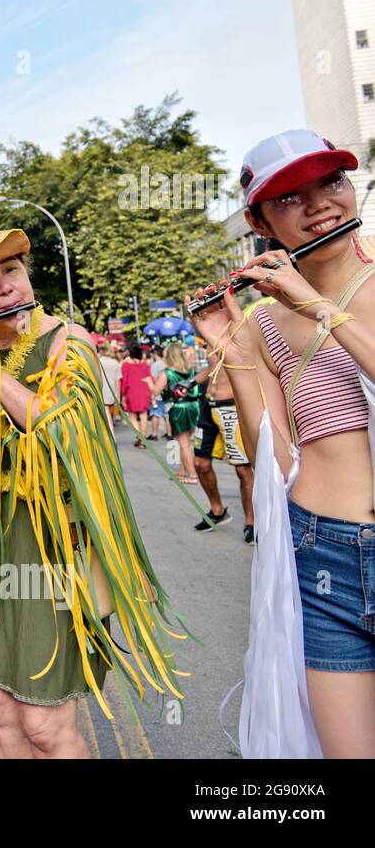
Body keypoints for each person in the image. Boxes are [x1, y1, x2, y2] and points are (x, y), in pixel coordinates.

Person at [0, 229, 182, 758]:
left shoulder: (67, 341)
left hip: (49, 554)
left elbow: (66, 433)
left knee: (47, 729)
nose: (4, 289)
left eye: (13, 273)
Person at [189, 129, 375, 757]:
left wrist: (321, 307)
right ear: (259, 220)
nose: (321, 203)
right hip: (324, 555)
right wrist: (235, 354)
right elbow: (278, 462)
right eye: (290, 196)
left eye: (331, 181)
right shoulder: (264, 319)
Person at [190, 349, 256, 542]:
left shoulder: (237, 328)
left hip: (232, 407)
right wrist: (192, 382)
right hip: (209, 406)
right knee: (200, 463)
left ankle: (251, 522)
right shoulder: (210, 332)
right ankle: (217, 510)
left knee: (243, 470)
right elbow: (213, 366)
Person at [160, 341, 202, 484]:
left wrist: (149, 384)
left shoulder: (168, 373)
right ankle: (183, 472)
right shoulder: (191, 371)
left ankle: (191, 475)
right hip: (194, 406)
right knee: (185, 442)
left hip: (179, 408)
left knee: (183, 443)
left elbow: (155, 390)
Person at [119, 342, 155, 446]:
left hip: (132, 392)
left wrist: (123, 395)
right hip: (144, 391)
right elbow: (150, 378)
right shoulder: (145, 365)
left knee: (132, 416)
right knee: (143, 415)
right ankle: (143, 439)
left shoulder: (126, 365)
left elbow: (124, 381)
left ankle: (140, 436)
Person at [98, 342, 122, 426]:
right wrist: (118, 396)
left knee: (102, 419)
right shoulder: (115, 363)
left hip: (100, 391)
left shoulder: (98, 362)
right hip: (112, 391)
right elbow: (117, 381)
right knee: (110, 418)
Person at [147, 347, 169, 440]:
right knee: (167, 414)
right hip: (167, 393)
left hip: (157, 393)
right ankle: (169, 434)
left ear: (155, 354)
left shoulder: (155, 365)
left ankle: (154, 434)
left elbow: (153, 379)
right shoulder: (167, 364)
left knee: (155, 414)